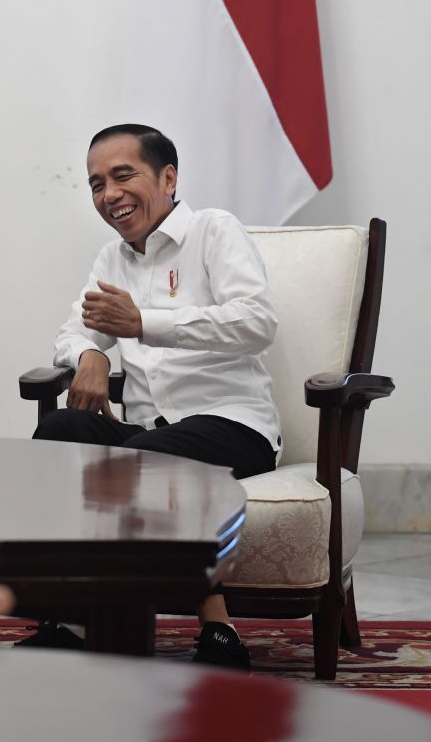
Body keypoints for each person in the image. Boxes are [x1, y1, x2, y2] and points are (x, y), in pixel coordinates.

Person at [29, 124, 280, 670]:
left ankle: (219, 631)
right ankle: (72, 619)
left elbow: (257, 323)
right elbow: (72, 333)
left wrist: (145, 324)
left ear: (168, 178)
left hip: (232, 424)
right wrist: (89, 357)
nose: (109, 195)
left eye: (123, 176)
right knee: (62, 433)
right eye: (97, 184)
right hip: (147, 434)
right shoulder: (111, 260)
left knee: (144, 461)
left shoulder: (215, 231)